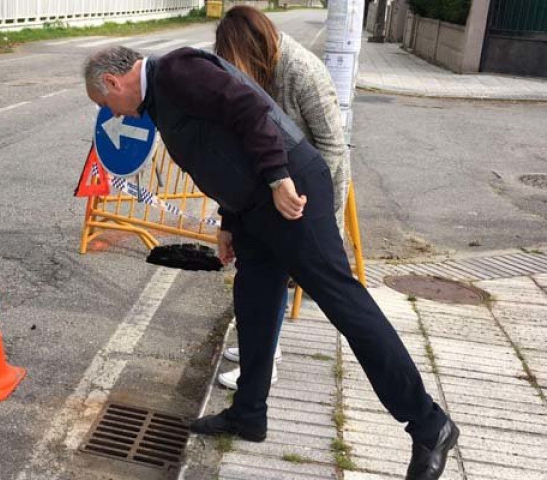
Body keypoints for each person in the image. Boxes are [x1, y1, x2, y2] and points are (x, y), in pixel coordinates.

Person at [82, 46, 459, 480]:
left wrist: (279, 177)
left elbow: (249, 108)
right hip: (253, 205)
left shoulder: (177, 71)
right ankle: (248, 413)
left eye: (106, 105)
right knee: (255, 302)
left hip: (287, 194)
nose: (118, 115)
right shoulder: (160, 97)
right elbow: (219, 148)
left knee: (345, 305)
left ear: (112, 82)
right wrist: (227, 220)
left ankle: (430, 425)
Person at [213, 5, 351, 391]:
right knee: (259, 273)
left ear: (255, 52)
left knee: (277, 275)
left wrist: (310, 208)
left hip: (307, 198)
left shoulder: (302, 72)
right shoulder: (251, 80)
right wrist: (228, 222)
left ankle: (264, 363)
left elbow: (333, 149)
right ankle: (258, 348)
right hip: (268, 193)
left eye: (238, 63)